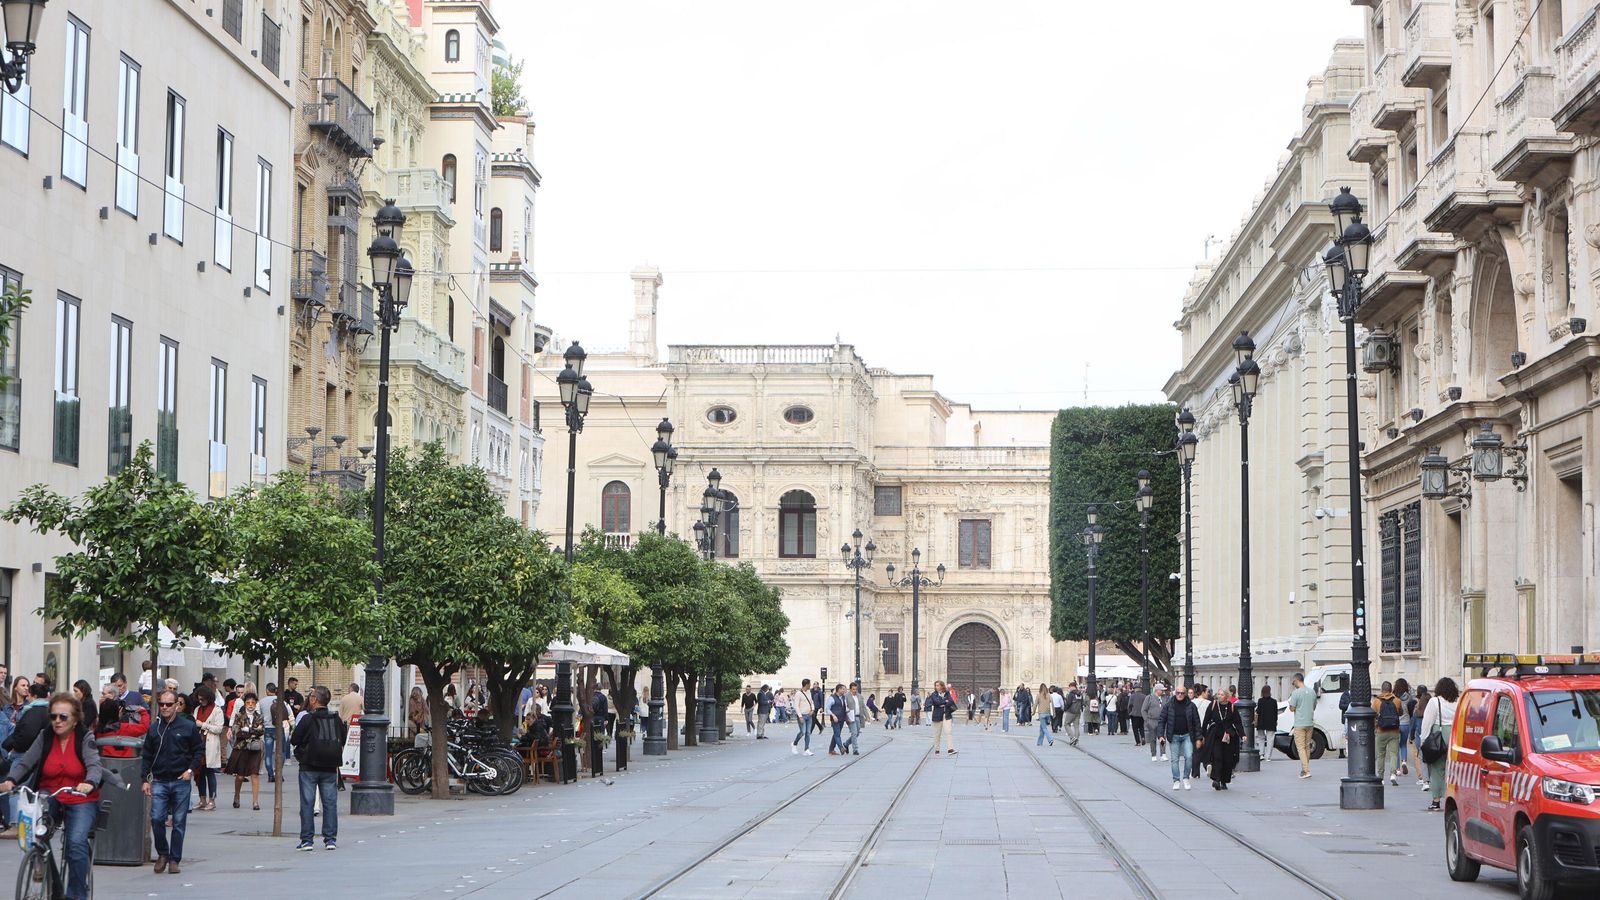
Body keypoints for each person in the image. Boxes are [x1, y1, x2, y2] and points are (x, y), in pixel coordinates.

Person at [0, 692, 103, 900]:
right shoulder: (45, 736)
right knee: (37, 831)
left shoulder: (84, 736)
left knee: (75, 842)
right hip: (50, 793)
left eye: (63, 717)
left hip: (79, 796)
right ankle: (43, 865)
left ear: (74, 719)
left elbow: (94, 765)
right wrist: (11, 779)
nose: (57, 721)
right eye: (53, 716)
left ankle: (76, 895)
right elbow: (26, 761)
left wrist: (89, 783)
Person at [141, 689, 203, 874]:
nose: (165, 708)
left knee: (178, 821)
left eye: (169, 704)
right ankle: (163, 853)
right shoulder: (155, 728)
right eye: (162, 704)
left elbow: (198, 750)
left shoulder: (187, 726)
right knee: (157, 818)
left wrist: (190, 770)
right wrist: (144, 779)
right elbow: (147, 756)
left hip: (180, 780)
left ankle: (175, 859)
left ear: (177, 705)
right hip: (159, 780)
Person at [291, 686, 347, 850]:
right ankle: (330, 839)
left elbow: (295, 739)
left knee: (307, 803)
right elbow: (343, 738)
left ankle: (307, 840)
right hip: (330, 766)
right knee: (330, 803)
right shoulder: (336, 719)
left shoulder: (308, 719)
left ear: (314, 700)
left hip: (309, 765)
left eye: (311, 696)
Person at [1420, 677, 1457, 810]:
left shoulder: (1435, 702)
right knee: (1453, 769)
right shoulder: (1457, 702)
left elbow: (1427, 722)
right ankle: (1451, 797)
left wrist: (1423, 739)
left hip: (1439, 735)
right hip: (1455, 735)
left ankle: (1436, 800)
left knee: (1437, 768)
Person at [1157, 683, 1199, 790]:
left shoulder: (1191, 706)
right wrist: (1161, 735)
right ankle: (1176, 780)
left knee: (1189, 757)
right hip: (1174, 735)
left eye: (1182, 693)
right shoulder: (1169, 705)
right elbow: (1162, 720)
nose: (1179, 695)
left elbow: (1196, 723)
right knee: (1174, 759)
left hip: (1187, 735)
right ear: (1175, 693)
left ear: (1185, 694)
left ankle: (1185, 777)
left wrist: (1199, 737)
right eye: (1178, 693)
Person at [228, 692, 265, 810]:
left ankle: (255, 802)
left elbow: (262, 731)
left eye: (253, 703)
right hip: (242, 748)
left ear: (256, 704)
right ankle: (237, 795)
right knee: (240, 776)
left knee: (255, 774)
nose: (250, 705)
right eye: (248, 703)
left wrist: (248, 729)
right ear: (244, 704)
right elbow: (237, 732)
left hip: (255, 749)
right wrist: (254, 730)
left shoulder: (259, 716)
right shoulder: (239, 716)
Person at [192, 687, 224, 811]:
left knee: (210, 772)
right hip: (198, 744)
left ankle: (212, 800)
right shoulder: (197, 709)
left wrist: (202, 725)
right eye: (199, 699)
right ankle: (202, 799)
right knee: (199, 773)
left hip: (209, 744)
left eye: (203, 699)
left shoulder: (217, 711)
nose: (201, 701)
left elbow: (219, 729)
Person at [1202, 692, 1243, 790]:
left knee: (1227, 759)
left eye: (1222, 694)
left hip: (1229, 737)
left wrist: (1243, 734)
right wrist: (1202, 734)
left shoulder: (1232, 707)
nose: (1219, 696)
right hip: (1216, 735)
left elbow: (1237, 722)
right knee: (1217, 757)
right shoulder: (1213, 705)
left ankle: (1224, 781)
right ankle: (1216, 779)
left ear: (1227, 697)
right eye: (1218, 694)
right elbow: (1206, 720)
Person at [1371, 680, 1403, 787]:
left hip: (1381, 731)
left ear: (1381, 689)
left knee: (1381, 755)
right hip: (1394, 731)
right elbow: (1400, 712)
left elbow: (1373, 715)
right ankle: (1393, 774)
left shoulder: (1376, 701)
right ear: (1391, 690)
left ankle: (1380, 777)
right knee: (1394, 753)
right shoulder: (1397, 700)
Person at [1287, 673, 1316, 779]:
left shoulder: (1296, 693)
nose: (1293, 683)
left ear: (1296, 680)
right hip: (1310, 722)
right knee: (1307, 746)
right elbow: (1314, 706)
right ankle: (1305, 768)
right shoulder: (1312, 692)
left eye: (1293, 681)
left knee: (1300, 747)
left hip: (1299, 723)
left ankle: (1306, 770)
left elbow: (1292, 708)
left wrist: (1291, 704)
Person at [928, 680, 957, 755]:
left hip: (946, 715)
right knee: (937, 734)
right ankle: (937, 749)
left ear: (942, 686)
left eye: (938, 685)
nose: (936, 687)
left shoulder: (947, 693)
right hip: (937, 716)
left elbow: (951, 702)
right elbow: (936, 702)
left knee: (948, 731)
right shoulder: (934, 694)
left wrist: (943, 703)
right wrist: (945, 701)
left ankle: (950, 749)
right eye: (936, 685)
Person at [1393, 677, 1414, 780]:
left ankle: (1397, 769)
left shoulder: (1393, 698)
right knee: (1403, 744)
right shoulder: (1409, 697)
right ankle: (1404, 762)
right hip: (1406, 723)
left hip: (1396, 723)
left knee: (1395, 746)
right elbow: (1414, 700)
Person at [1190, 685, 1212, 780]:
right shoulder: (1209, 703)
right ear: (1202, 692)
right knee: (1207, 749)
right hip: (1207, 729)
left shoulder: (1191, 703)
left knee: (1196, 751)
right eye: (1207, 691)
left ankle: (1195, 773)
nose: (1208, 693)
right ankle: (1207, 764)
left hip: (1195, 729)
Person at [1411, 684, 1432, 786]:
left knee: (1420, 757)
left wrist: (1411, 737)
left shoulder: (1417, 710)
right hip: (1432, 737)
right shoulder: (1432, 709)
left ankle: (1423, 778)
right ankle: (1429, 778)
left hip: (1420, 736)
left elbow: (1413, 725)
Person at [1143, 684, 1169, 760]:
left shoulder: (1165, 698)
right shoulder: (1149, 698)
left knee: (1162, 737)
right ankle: (1153, 754)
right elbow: (1143, 710)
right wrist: (1147, 720)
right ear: (1157, 690)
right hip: (1152, 721)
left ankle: (1163, 754)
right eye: (1162, 690)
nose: (1163, 691)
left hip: (1162, 721)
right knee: (1152, 738)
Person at [790, 681, 815, 756]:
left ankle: (806, 749)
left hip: (809, 715)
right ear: (806, 685)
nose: (810, 685)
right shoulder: (798, 693)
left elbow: (811, 702)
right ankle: (794, 744)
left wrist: (812, 709)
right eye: (809, 684)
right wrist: (800, 716)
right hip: (802, 715)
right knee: (802, 732)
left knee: (808, 733)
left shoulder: (809, 692)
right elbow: (796, 706)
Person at [1255, 685, 1279, 760]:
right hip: (1271, 722)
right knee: (1270, 739)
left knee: (1261, 738)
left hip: (1261, 722)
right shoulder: (1274, 701)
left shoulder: (1260, 701)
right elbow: (1275, 713)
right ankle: (1268, 757)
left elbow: (1258, 711)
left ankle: (1261, 754)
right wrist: (1275, 721)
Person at [845, 683, 866, 755]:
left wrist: (867, 716)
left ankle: (846, 744)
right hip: (851, 717)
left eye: (856, 689)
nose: (855, 691)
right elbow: (845, 707)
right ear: (850, 689)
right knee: (854, 733)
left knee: (857, 734)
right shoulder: (846, 696)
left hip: (858, 717)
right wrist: (846, 717)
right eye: (853, 689)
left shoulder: (859, 696)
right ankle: (855, 749)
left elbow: (863, 706)